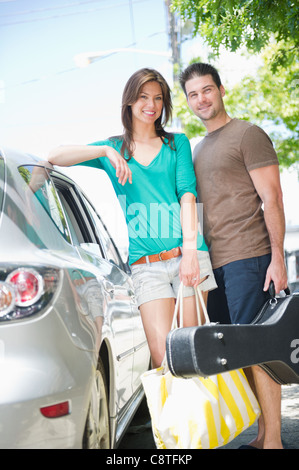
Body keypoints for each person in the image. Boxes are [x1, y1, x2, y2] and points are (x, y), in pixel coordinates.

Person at [48, 67, 217, 369]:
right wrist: (103, 150)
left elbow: (188, 196)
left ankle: (204, 418)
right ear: (129, 101)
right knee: (164, 359)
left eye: (158, 98)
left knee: (193, 356)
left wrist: (191, 252)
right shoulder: (113, 149)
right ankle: (176, 418)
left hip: (186, 256)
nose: (151, 105)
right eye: (143, 97)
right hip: (145, 266)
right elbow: (54, 155)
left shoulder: (176, 144)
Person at [179, 62, 288, 449]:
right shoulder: (197, 148)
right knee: (234, 353)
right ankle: (262, 434)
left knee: (258, 351)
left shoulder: (247, 134)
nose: (201, 99)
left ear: (221, 89)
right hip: (215, 265)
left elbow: (272, 198)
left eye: (207, 90)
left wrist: (278, 258)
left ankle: (272, 440)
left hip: (249, 258)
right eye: (193, 94)